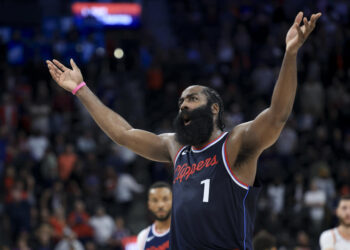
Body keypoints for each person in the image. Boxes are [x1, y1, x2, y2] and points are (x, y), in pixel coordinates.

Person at [46, 11, 321, 249]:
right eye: (180, 102)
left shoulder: (235, 143)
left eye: (192, 99)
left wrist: (290, 54)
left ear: (215, 108)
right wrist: (81, 90)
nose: (183, 107)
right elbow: (123, 134)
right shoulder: (175, 147)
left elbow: (277, 115)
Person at [137, 182, 172, 250]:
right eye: (155, 200)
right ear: (149, 204)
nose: (160, 205)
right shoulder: (143, 236)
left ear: (173, 201)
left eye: (165, 199)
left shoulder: (183, 231)